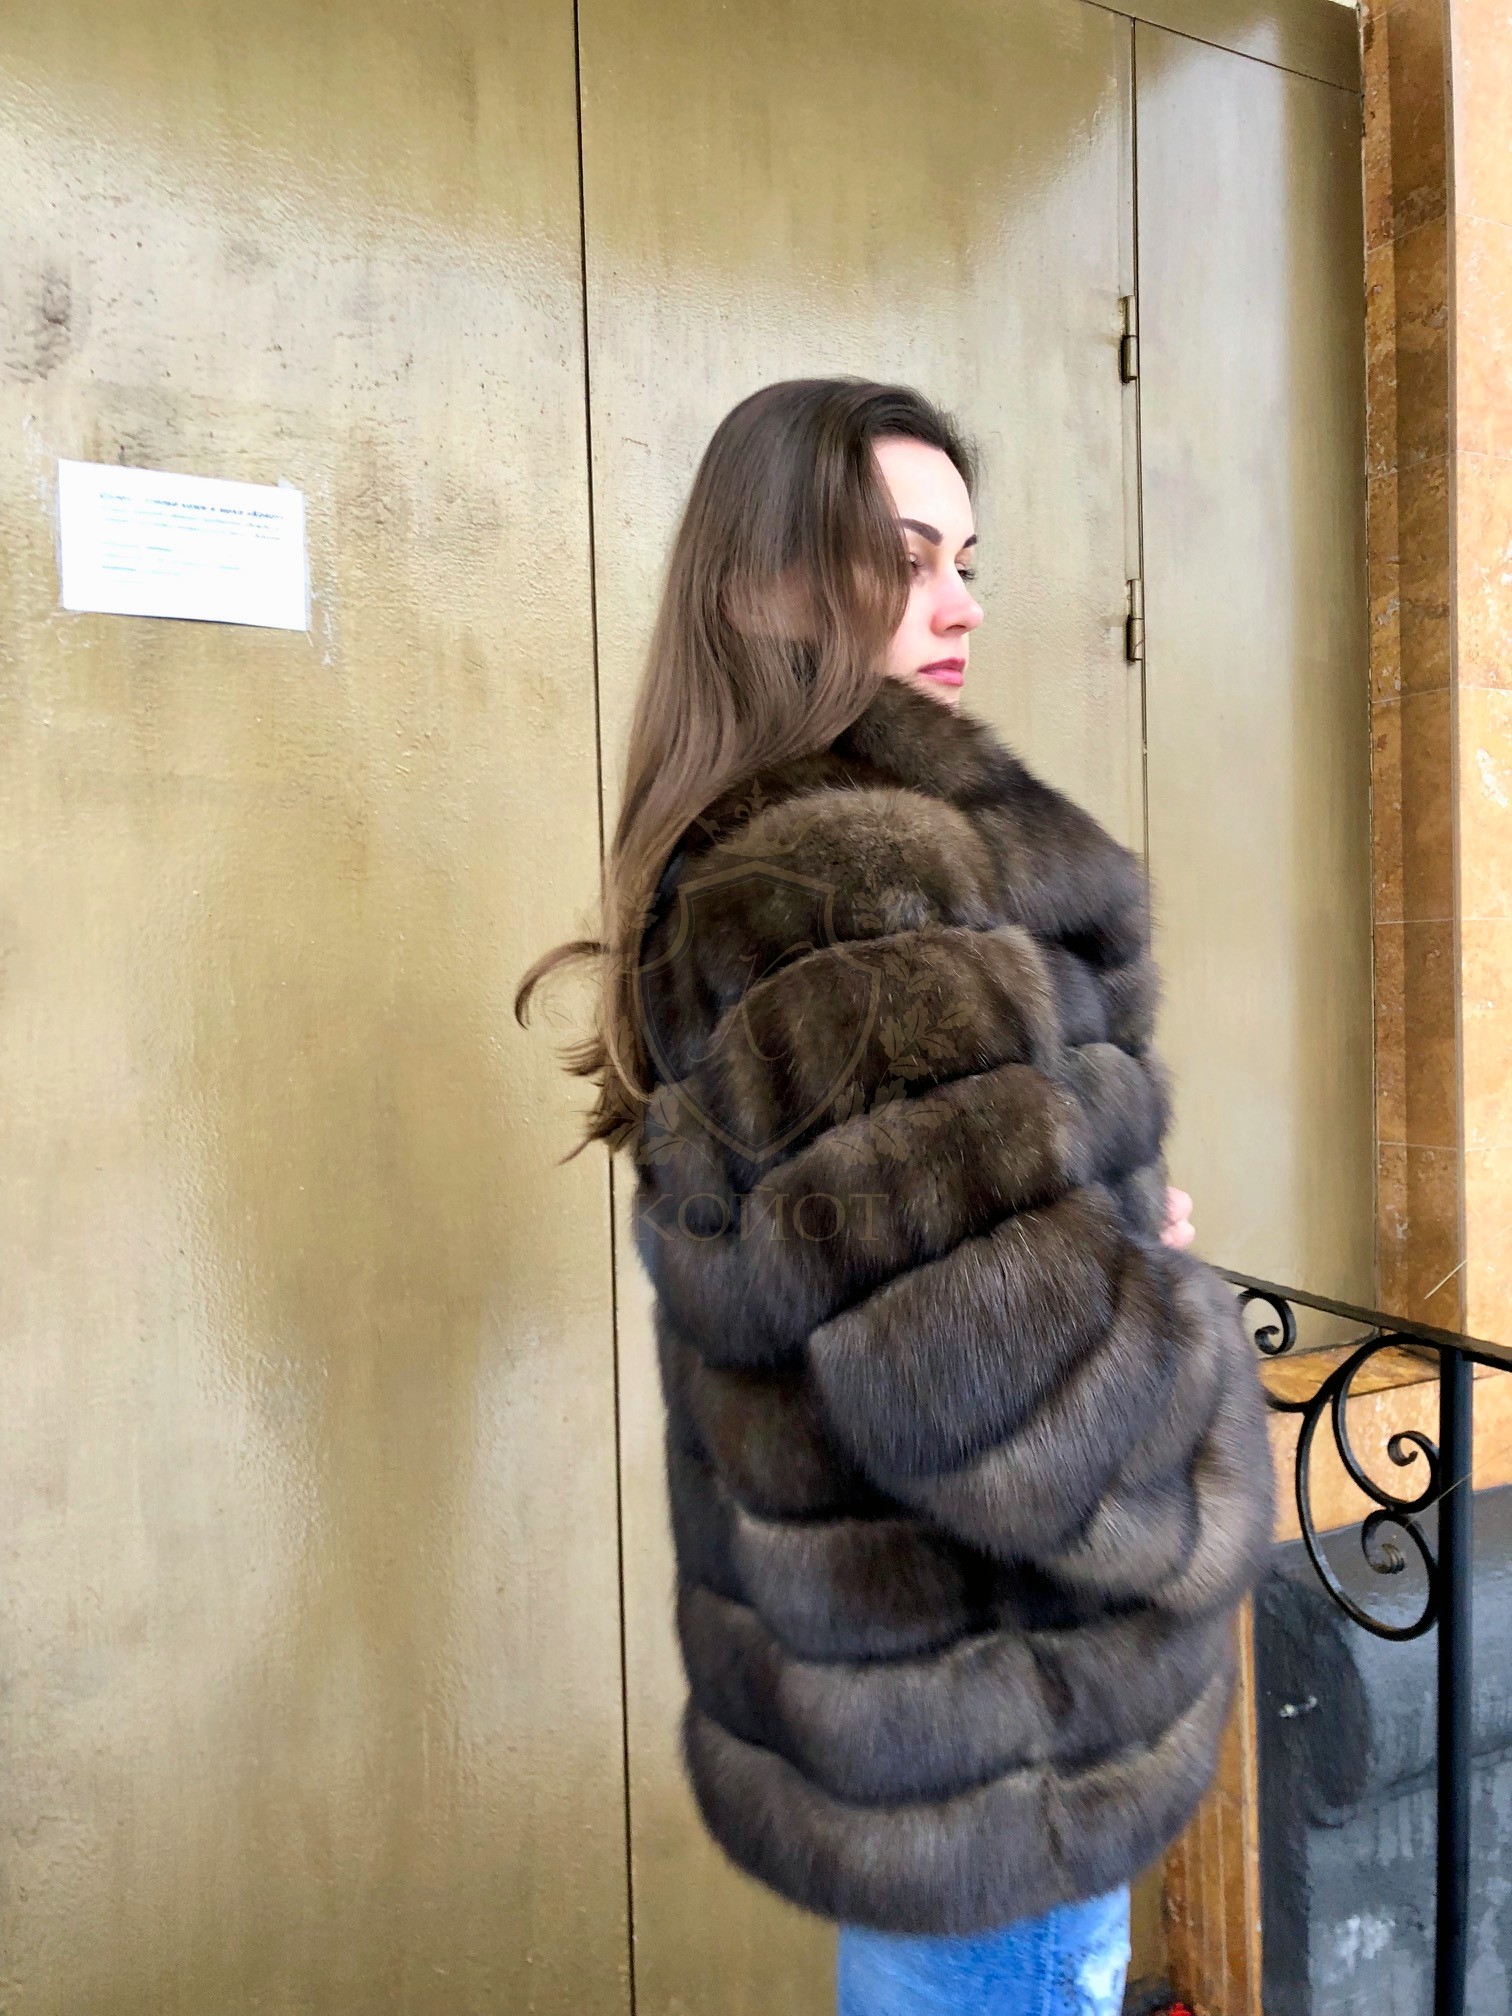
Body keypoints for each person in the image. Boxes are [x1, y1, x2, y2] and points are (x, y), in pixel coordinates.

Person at [515, 378, 1274, 2016]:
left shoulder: (743, 860)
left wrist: (1084, 1237)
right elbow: (1010, 1379)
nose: (963, 604)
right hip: (1005, 1736)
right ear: (764, 586)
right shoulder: (854, 886)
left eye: (967, 561)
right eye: (906, 558)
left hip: (915, 1717)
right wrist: (1179, 1321)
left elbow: (896, 1282)